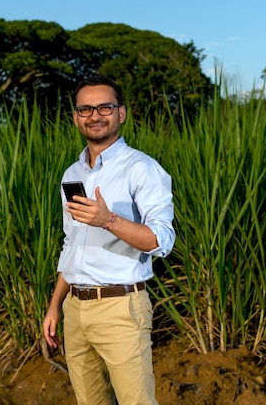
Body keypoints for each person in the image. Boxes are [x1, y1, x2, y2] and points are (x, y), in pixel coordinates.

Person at [42, 75, 175, 405]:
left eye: (105, 106)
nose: (94, 115)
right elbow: (71, 245)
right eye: (85, 109)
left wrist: (110, 220)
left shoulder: (142, 169)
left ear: (121, 113)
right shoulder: (72, 174)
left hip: (121, 309)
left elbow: (162, 240)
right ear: (75, 117)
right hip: (75, 309)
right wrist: (55, 305)